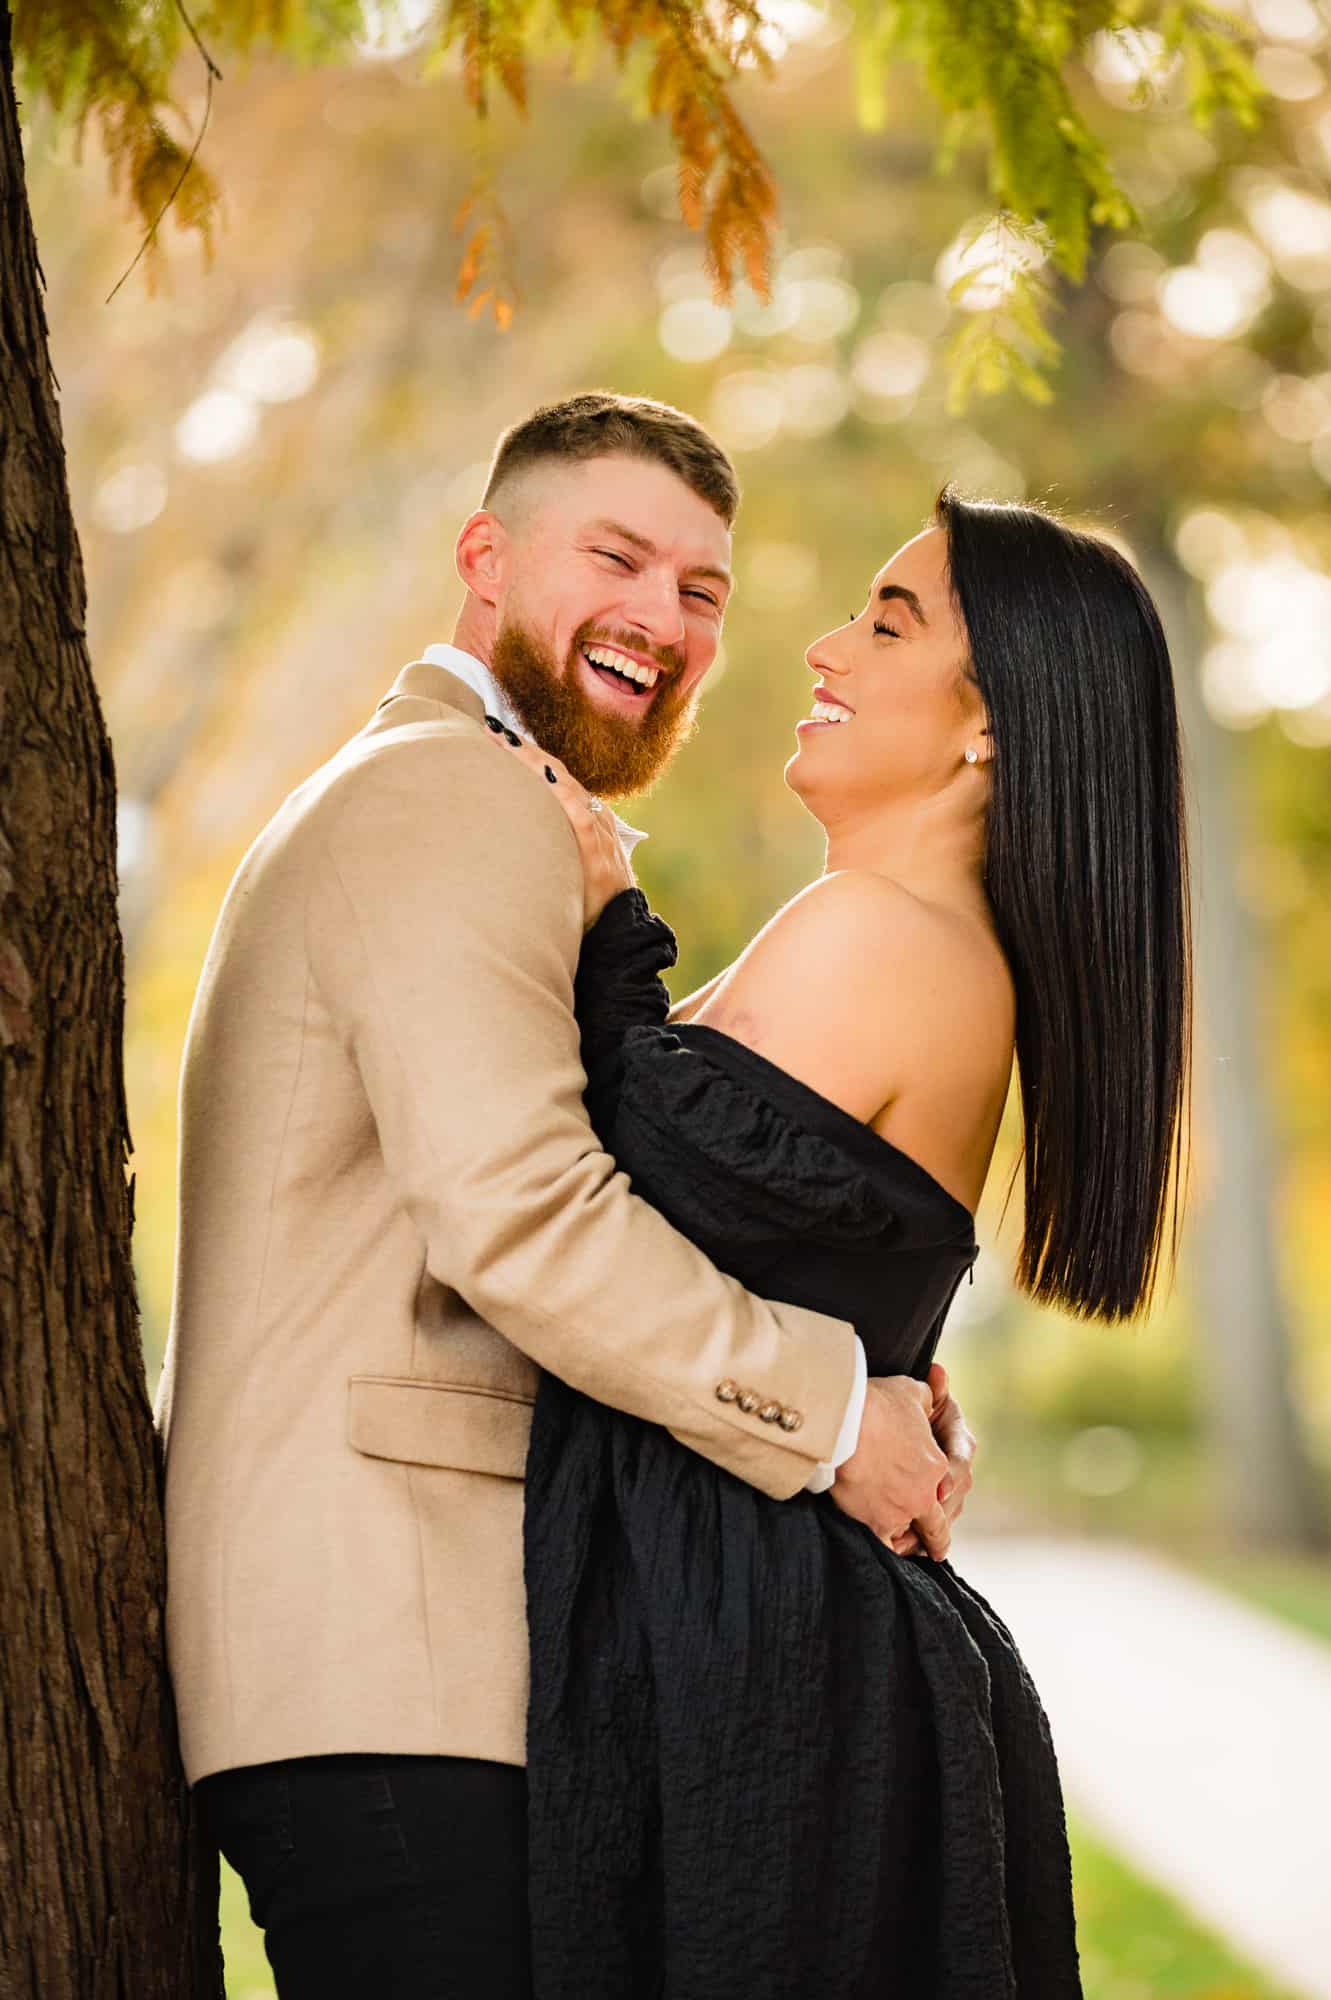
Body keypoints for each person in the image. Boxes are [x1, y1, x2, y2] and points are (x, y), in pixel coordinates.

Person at [155, 392, 975, 1998]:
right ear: (486, 558)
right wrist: (829, 1412)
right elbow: (522, 1213)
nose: (659, 619)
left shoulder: (481, 802)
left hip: (407, 1673)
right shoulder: (451, 795)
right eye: (617, 557)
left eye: (700, 591)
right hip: (399, 1662)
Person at [493, 486, 1192, 1997]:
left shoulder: (880, 935)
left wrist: (603, 903)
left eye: (887, 623)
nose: (823, 646)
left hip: (768, 1678)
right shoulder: (882, 931)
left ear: (991, 722)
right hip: (771, 1650)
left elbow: (589, 1214)